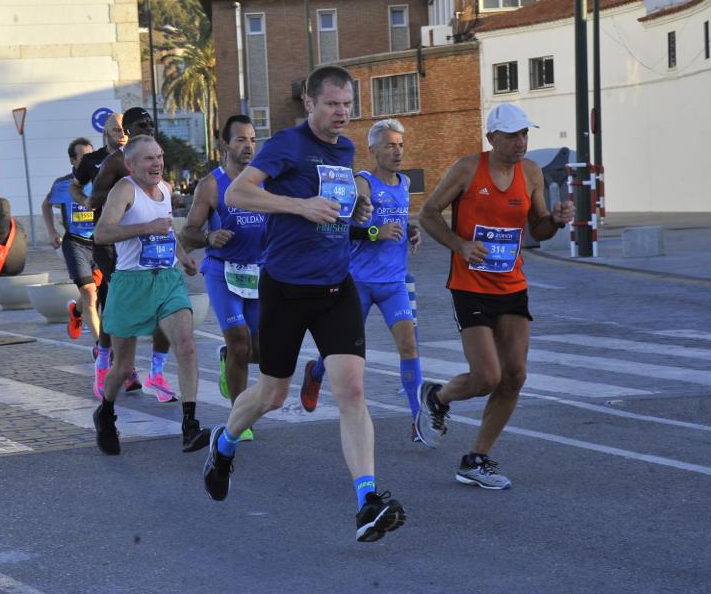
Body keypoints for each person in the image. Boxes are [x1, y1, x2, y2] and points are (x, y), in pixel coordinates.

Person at [202, 65, 407, 543]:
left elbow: (349, 183)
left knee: (352, 392)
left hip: (336, 287)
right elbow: (238, 192)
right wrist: (301, 206)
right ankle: (224, 442)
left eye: (348, 105)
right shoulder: (284, 146)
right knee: (273, 395)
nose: (341, 113)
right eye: (332, 104)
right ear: (309, 104)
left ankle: (367, 500)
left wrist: (359, 200)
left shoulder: (346, 147)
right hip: (286, 289)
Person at [415, 102, 574, 490]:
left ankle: (476, 458)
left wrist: (553, 219)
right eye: (513, 135)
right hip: (470, 287)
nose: (521, 142)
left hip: (512, 285)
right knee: (487, 376)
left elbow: (538, 228)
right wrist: (460, 244)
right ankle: (438, 397)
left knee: (515, 375)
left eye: (525, 135)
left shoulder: (531, 173)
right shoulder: (468, 169)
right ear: (492, 138)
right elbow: (428, 213)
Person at [299, 119, 424, 437]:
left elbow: (399, 218)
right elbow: (344, 227)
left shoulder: (405, 183)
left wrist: (411, 232)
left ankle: (418, 417)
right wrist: (374, 230)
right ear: (373, 150)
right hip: (358, 282)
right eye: (390, 145)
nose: (397, 152)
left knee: (409, 346)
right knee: (340, 350)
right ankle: (314, 373)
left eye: (400, 145)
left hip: (394, 281)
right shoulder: (363, 183)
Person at [92, 135, 210, 454]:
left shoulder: (166, 189)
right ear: (130, 164)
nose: (157, 163)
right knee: (123, 367)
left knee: (185, 345)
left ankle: (189, 425)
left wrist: (182, 255)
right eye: (148, 158)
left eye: (159, 157)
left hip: (167, 280)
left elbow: (167, 228)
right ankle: (106, 412)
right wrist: (146, 229)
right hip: (131, 283)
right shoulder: (125, 189)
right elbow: (102, 233)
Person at [75, 107, 178, 403]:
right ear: (128, 131)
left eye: (151, 123)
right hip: (113, 244)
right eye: (141, 124)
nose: (149, 127)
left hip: (150, 243)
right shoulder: (115, 162)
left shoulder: (154, 156)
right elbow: (94, 200)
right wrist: (125, 200)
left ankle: (156, 372)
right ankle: (104, 363)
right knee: (118, 307)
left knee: (164, 305)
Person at [181, 114, 265, 442]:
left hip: (259, 271)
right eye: (241, 139)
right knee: (240, 343)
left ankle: (227, 359)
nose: (248, 145)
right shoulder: (212, 184)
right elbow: (188, 233)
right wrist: (209, 238)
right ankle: (239, 420)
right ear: (225, 144)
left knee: (260, 352)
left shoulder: (264, 181)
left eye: (253, 139)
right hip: (222, 272)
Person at [43, 138, 102, 349]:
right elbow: (46, 204)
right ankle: (100, 346)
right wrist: (51, 232)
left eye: (92, 156)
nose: (90, 162)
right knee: (89, 292)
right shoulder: (62, 184)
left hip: (100, 243)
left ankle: (76, 311)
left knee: (95, 291)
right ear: (73, 160)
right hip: (75, 244)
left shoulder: (102, 181)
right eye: (84, 157)